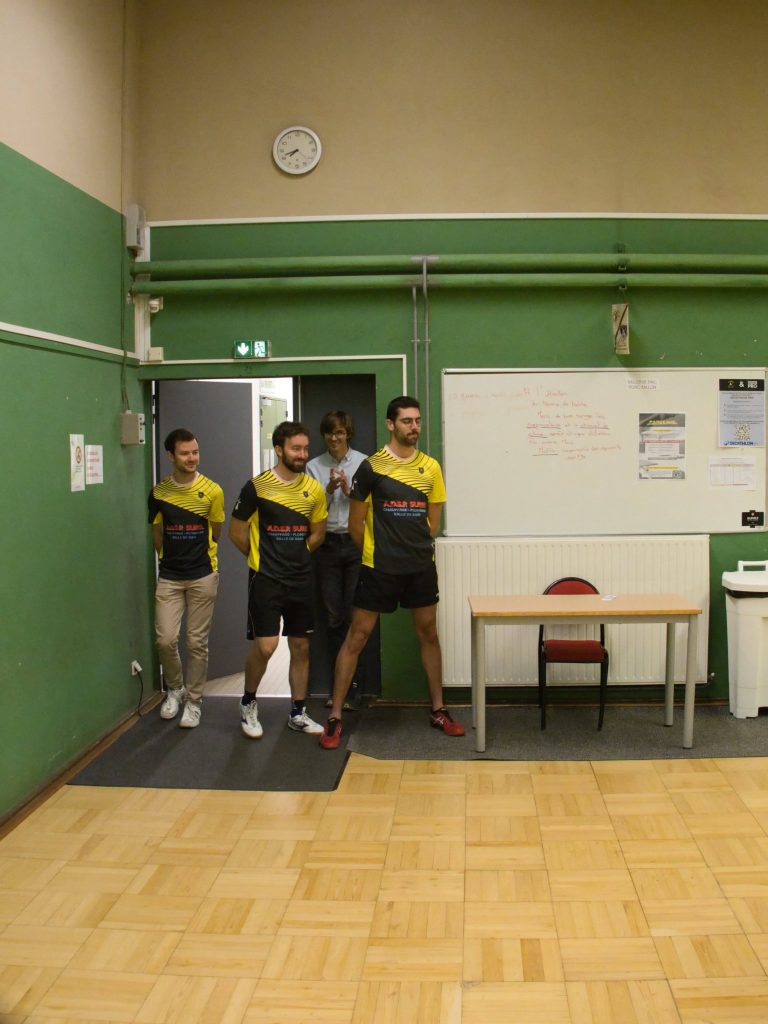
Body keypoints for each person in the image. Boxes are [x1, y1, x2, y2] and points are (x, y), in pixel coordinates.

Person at [320, 396, 465, 749]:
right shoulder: (371, 467)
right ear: (390, 424)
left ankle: (438, 709)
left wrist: (411, 549)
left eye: (417, 420)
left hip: (419, 568)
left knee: (428, 634)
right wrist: (378, 554)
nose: (414, 427)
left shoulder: (430, 467)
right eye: (406, 421)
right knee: (357, 637)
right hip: (379, 569)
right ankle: (335, 716)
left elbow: (432, 523)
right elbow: (356, 525)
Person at [229, 421, 327, 739]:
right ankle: (248, 702)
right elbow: (236, 532)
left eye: (305, 449)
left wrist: (298, 554)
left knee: (300, 646)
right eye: (295, 448)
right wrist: (262, 558)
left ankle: (297, 712)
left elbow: (318, 533)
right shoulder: (256, 487)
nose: (302, 454)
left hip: (301, 580)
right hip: (266, 580)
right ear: (279, 450)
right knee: (267, 646)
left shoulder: (313, 489)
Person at [148, 428, 225, 729]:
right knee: (165, 639)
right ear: (170, 455)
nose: (192, 458)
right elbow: (157, 534)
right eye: (185, 453)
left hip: (203, 574)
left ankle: (194, 702)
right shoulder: (159, 493)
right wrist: (169, 558)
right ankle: (175, 689)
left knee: (196, 642)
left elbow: (216, 533)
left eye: (195, 452)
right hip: (170, 575)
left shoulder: (213, 490)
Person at [306, 411, 367, 705]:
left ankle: (353, 687)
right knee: (333, 618)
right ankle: (337, 688)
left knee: (356, 617)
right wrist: (329, 491)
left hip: (356, 544)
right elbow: (310, 509)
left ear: (348, 434)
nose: (334, 438)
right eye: (330, 433)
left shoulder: (363, 463)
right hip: (327, 545)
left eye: (340, 432)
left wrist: (348, 489)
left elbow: (368, 504)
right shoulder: (313, 467)